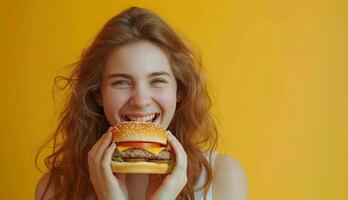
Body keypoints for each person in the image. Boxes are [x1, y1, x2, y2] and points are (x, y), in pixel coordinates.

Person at [35, 6, 247, 200]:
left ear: (179, 91)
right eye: (122, 82)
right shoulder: (56, 190)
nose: (140, 101)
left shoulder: (223, 179)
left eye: (157, 80)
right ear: (97, 93)